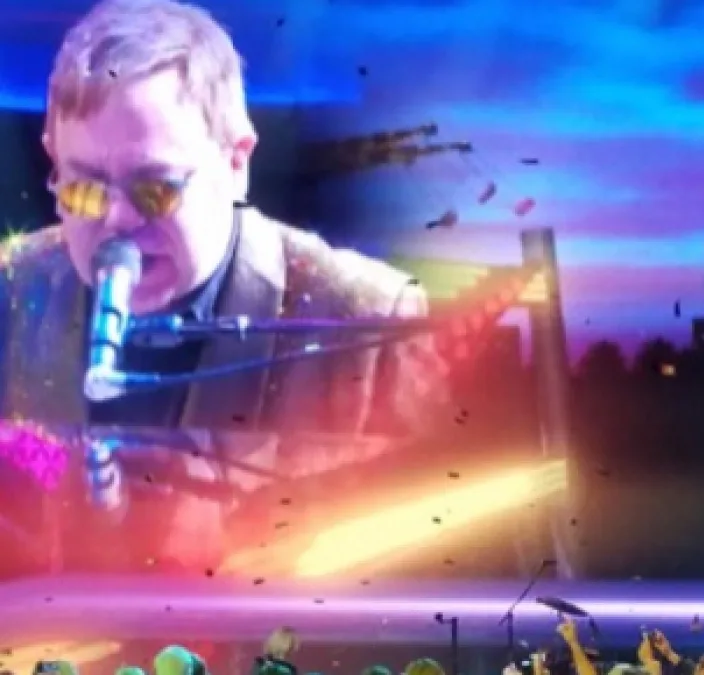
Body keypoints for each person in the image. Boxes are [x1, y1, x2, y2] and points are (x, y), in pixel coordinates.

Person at [0, 0, 449, 569]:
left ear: (237, 163)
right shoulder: (10, 289)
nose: (116, 221)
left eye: (154, 190)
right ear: (53, 159)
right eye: (84, 190)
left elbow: (432, 562)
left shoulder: (375, 325)